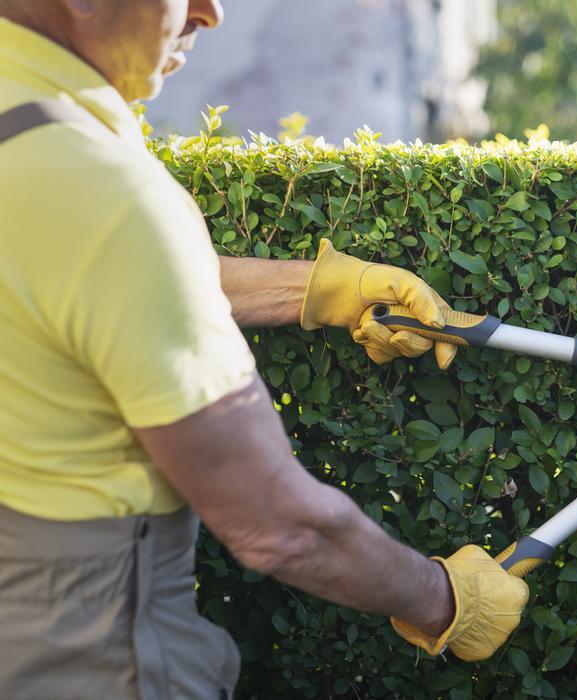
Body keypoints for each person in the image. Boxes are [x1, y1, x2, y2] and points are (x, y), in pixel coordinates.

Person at [0, 1, 529, 698]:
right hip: (77, 654)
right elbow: (279, 526)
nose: (208, 12)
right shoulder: (99, 190)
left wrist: (317, 288)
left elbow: (72, 280)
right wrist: (442, 598)